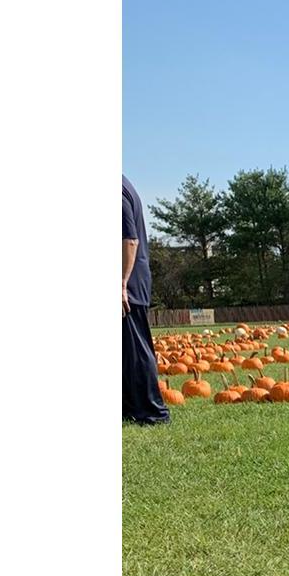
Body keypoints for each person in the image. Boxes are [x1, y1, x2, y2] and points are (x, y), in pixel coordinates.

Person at [122, 175, 169, 425]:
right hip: (130, 281)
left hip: (128, 283)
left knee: (136, 350)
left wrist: (121, 284)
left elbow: (130, 240)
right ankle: (129, 407)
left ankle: (153, 412)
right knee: (125, 351)